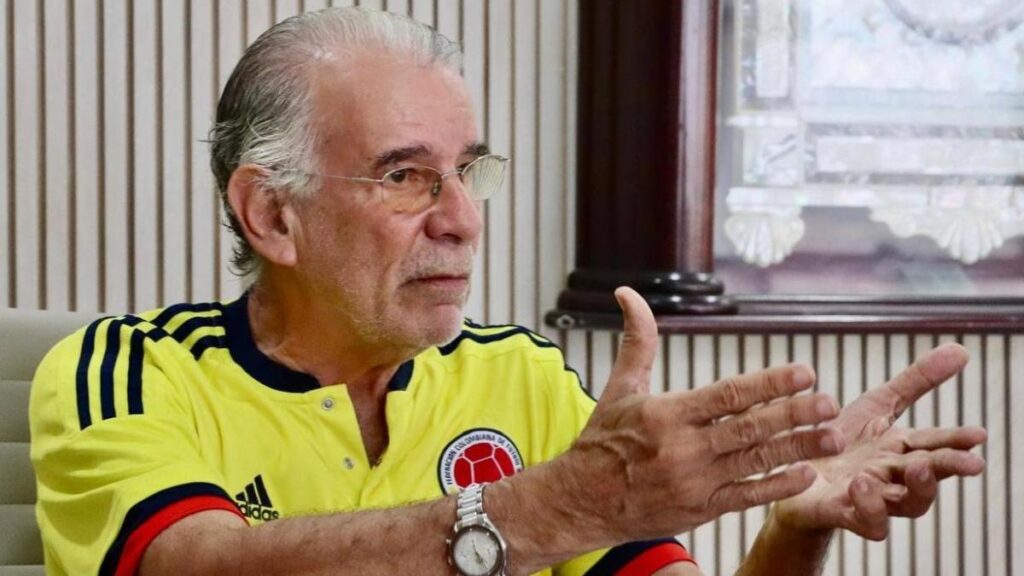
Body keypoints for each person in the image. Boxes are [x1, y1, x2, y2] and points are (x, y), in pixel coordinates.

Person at [29, 7, 986, 576]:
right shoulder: (128, 373)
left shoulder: (521, 378)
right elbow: (193, 566)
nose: (462, 218)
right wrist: (547, 510)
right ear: (272, 215)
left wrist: (792, 531)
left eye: (467, 172)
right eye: (405, 176)